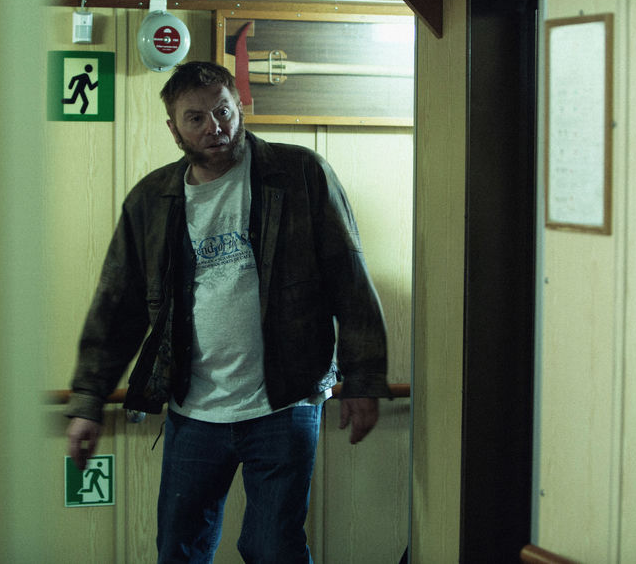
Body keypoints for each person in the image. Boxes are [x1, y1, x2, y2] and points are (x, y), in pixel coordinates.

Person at [65, 61, 391, 563]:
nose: (213, 127)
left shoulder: (300, 173)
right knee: (179, 548)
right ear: (174, 130)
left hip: (284, 403)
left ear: (241, 107)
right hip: (193, 410)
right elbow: (116, 306)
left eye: (222, 111)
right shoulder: (152, 200)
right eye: (195, 118)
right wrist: (88, 400)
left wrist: (364, 379)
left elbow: (349, 279)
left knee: (272, 548)